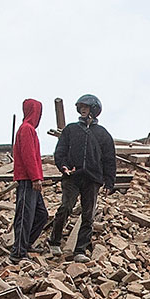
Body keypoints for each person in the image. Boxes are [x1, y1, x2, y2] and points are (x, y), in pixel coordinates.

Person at [50, 94, 117, 258]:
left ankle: (80, 249)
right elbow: (60, 151)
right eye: (81, 108)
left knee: (88, 215)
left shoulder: (102, 134)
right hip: (72, 176)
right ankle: (54, 242)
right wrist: (63, 166)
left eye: (86, 107)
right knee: (65, 207)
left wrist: (109, 182)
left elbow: (109, 159)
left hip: (92, 179)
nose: (83, 110)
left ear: (94, 110)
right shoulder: (71, 130)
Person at [8, 98, 50, 261]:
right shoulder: (26, 129)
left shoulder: (29, 129)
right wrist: (35, 178)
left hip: (31, 180)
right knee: (25, 215)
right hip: (27, 180)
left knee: (41, 215)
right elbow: (28, 156)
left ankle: (25, 244)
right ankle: (18, 251)